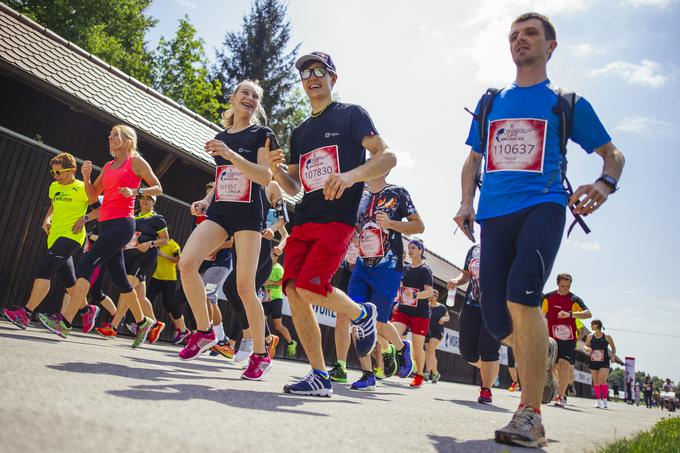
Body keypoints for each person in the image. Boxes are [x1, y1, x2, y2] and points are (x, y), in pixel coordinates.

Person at [454, 12, 625, 447]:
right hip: (494, 214)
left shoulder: (565, 102)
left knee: (523, 293)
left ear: (551, 45)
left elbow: (613, 154)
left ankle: (530, 414)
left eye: (530, 34)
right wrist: (466, 203)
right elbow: (473, 160)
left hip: (544, 206)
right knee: (496, 320)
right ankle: (543, 351)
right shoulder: (492, 101)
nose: (519, 40)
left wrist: (605, 183)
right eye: (513, 35)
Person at [266, 51, 396, 396]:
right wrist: (277, 170)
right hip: (304, 220)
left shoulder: (351, 115)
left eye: (319, 70)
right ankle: (319, 375)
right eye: (305, 73)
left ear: (332, 78)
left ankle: (360, 315)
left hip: (338, 220)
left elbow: (387, 156)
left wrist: (351, 176)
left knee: (309, 286)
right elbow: (296, 186)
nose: (312, 77)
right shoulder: (301, 132)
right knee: (293, 291)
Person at [178, 80, 278, 382]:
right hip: (221, 211)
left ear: (256, 105)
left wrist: (232, 154)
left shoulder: (262, 134)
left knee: (245, 288)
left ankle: (261, 353)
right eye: (245, 93)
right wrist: (206, 200)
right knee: (186, 264)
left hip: (249, 214)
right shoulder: (220, 137)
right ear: (233, 98)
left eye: (255, 96)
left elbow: (264, 176)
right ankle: (205, 330)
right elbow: (222, 177)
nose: (249, 98)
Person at [39, 126, 163, 347]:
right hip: (105, 224)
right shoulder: (107, 166)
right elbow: (92, 196)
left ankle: (65, 322)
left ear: (127, 140)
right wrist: (86, 178)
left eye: (115, 135)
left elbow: (158, 188)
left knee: (85, 264)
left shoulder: (136, 162)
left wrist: (136, 192)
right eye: (110, 135)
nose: (110, 138)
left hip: (123, 224)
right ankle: (143, 322)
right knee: (119, 279)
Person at [341, 174, 422, 390]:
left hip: (388, 267)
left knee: (378, 323)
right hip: (361, 265)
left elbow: (418, 226)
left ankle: (400, 347)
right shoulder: (362, 196)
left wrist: (391, 223)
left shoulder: (397, 193)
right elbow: (356, 226)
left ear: (384, 169)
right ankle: (368, 374)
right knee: (357, 317)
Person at [3, 152, 99, 330]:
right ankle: (87, 310)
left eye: (59, 172)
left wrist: (84, 219)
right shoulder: (54, 187)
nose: (56, 176)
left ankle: (26, 313)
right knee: (69, 281)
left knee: (44, 270)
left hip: (71, 237)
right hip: (54, 236)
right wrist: (47, 218)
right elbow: (53, 206)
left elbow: (101, 210)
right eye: (53, 172)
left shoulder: (82, 187)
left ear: (72, 171)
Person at [105, 194, 169, 342]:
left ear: (153, 203)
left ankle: (113, 327)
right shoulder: (132, 216)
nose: (145, 201)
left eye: (149, 199)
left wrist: (150, 244)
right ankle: (154, 324)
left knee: (126, 289)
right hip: (129, 256)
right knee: (139, 297)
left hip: (145, 256)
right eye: (143, 198)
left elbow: (165, 239)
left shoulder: (157, 219)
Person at [451, 243, 501, 404]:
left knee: (489, 349)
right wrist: (456, 281)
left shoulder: (506, 245)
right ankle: (490, 371)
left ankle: (486, 389)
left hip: (494, 307)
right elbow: (466, 275)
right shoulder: (474, 250)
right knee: (467, 352)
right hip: (471, 305)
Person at [542, 273, 591, 407]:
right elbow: (539, 314)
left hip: (569, 339)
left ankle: (561, 396)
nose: (565, 289)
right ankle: (555, 388)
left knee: (564, 364)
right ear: (558, 284)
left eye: (568, 286)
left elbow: (588, 313)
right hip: (552, 338)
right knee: (554, 367)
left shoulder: (574, 299)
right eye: (562, 286)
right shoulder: (548, 297)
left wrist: (570, 314)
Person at [391, 239, 434, 389]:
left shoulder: (425, 270)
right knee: (392, 333)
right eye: (408, 248)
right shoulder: (405, 268)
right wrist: (399, 299)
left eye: (413, 248)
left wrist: (414, 296)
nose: (410, 250)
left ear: (421, 250)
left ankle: (420, 375)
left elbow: (429, 292)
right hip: (403, 310)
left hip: (420, 313)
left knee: (418, 346)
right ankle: (396, 359)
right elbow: (401, 287)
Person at [262, 249, 297, 358]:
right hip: (265, 298)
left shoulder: (278, 268)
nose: (271, 256)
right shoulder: (265, 267)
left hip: (276, 299)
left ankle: (291, 342)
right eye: (270, 254)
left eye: (273, 255)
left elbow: (283, 281)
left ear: (277, 257)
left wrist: (270, 282)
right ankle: (264, 346)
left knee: (278, 325)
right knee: (260, 321)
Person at [584, 319, 616, 409]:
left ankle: (605, 401)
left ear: (597, 325)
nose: (591, 326)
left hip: (604, 361)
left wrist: (613, 356)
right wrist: (586, 348)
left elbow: (613, 347)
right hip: (593, 360)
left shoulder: (607, 336)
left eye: (592, 324)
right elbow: (586, 345)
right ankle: (598, 401)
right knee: (596, 381)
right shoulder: (590, 336)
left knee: (602, 380)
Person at [425, 290, 448, 384]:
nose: (432, 297)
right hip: (427, 331)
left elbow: (448, 317)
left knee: (430, 350)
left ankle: (427, 372)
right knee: (430, 353)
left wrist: (444, 318)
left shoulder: (442, 307)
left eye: (434, 295)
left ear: (437, 297)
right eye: (431, 295)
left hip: (438, 331)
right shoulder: (426, 306)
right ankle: (435, 373)